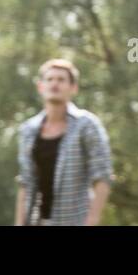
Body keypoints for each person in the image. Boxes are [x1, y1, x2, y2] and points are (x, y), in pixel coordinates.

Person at [15, 59, 113, 226]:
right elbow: (26, 181)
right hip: (37, 221)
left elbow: (102, 176)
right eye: (50, 79)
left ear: (73, 88)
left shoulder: (86, 125)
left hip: (75, 221)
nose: (55, 84)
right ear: (41, 86)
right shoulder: (28, 130)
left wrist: (92, 220)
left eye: (61, 80)